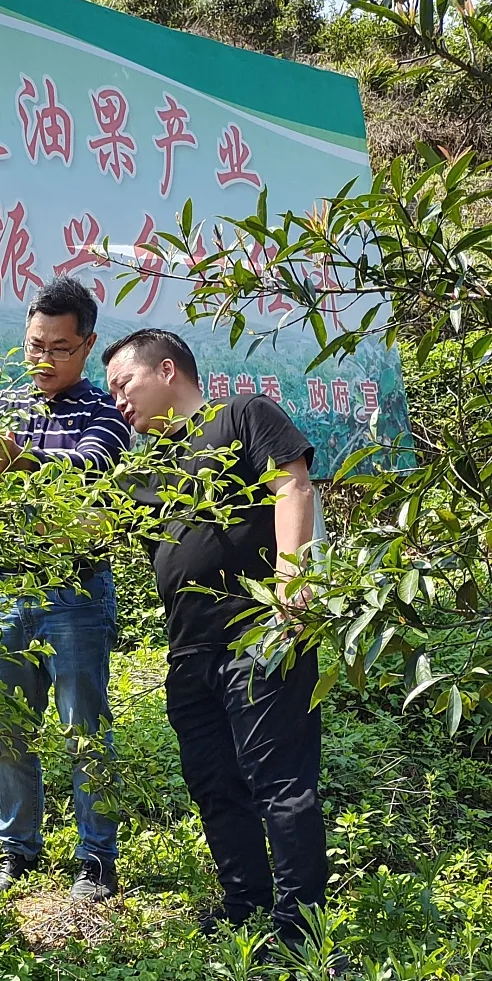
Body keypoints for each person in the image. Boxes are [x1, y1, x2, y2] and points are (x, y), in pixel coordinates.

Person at [103, 329, 328, 948]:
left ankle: (300, 926)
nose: (118, 400)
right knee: (212, 781)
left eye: (124, 384)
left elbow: (293, 485)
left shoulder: (242, 416)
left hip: (261, 630)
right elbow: (91, 528)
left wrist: (292, 578)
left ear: (167, 369)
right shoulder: (145, 469)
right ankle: (246, 902)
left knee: (278, 779)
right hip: (189, 650)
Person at [0, 276, 132, 901]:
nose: (43, 359)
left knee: (85, 728)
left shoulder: (107, 412)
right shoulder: (0, 409)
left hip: (76, 593)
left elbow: (92, 471)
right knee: (8, 728)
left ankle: (98, 859)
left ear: (88, 344)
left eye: (59, 348)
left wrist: (27, 467)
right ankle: (17, 851)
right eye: (35, 345)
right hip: (11, 589)